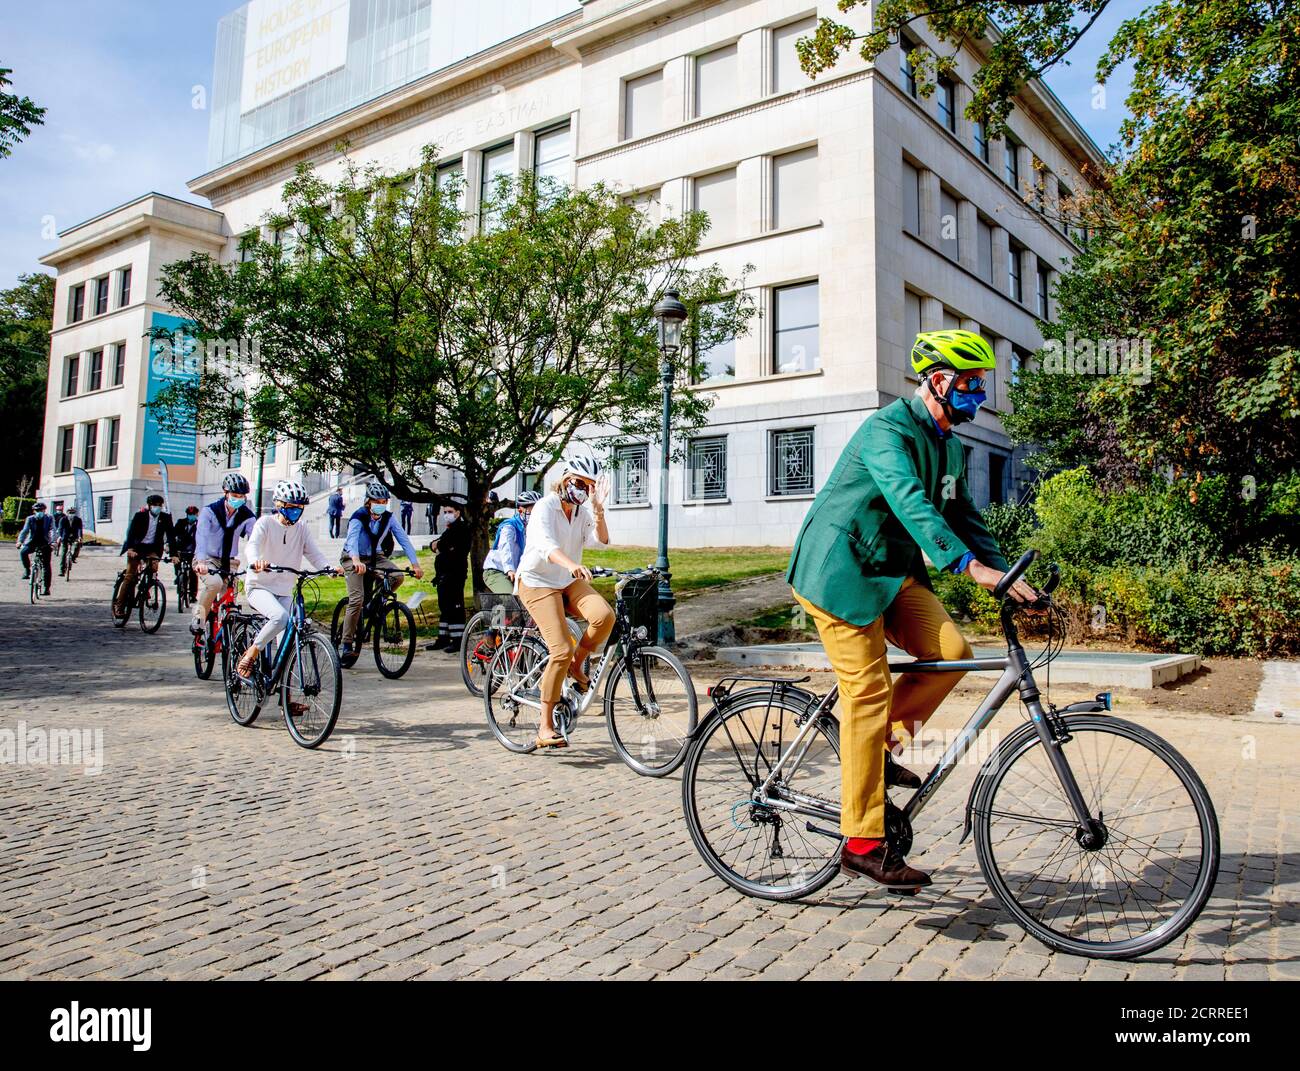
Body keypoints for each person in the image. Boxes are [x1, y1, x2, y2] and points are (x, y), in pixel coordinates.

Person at [786, 329, 1038, 890]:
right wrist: (966, 568)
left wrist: (1008, 577)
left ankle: (875, 749)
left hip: (892, 572)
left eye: (982, 384)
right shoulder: (887, 431)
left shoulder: (948, 444)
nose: (980, 395)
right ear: (940, 381)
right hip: (840, 571)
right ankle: (862, 842)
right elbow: (911, 501)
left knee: (952, 652)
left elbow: (962, 515)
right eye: (972, 384)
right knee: (867, 692)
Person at [515, 456, 615, 748]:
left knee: (603, 616)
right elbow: (545, 545)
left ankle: (578, 664)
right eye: (582, 483)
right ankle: (545, 726)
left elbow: (602, 541)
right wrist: (572, 564)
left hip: (566, 579)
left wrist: (598, 511)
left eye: (591, 487)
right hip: (537, 581)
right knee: (559, 649)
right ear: (567, 479)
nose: (586, 490)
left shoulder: (582, 512)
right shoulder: (545, 506)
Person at [236, 480, 338, 682]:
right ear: (279, 505)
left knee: (289, 643)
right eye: (291, 508)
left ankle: (287, 700)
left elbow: (315, 554)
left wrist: (328, 568)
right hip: (260, 586)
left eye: (299, 508)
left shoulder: (301, 529)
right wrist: (256, 561)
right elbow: (252, 546)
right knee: (280, 617)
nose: (296, 512)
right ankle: (251, 652)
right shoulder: (265, 523)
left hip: (285, 590)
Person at [338, 478, 424, 665]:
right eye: (377, 502)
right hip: (353, 557)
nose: (381, 505)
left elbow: (404, 540)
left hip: (376, 557)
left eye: (384, 502)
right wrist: (355, 561)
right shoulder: (358, 517)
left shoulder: (389, 518)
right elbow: (351, 541)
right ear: (368, 502)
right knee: (356, 599)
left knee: (397, 576)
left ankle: (373, 607)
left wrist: (415, 564)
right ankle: (346, 643)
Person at [190, 474, 257, 639]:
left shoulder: (247, 516)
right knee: (214, 584)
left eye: (242, 497)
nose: (239, 499)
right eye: (235, 496)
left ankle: (227, 633)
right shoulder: (209, 511)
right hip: (207, 559)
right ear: (225, 493)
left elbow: (255, 539)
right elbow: (202, 538)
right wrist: (200, 561)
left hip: (229, 561)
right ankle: (199, 618)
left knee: (230, 597)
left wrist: (259, 561)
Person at [114, 493, 175, 617]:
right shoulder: (140, 516)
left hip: (153, 548)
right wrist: (130, 548)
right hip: (137, 547)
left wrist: (174, 554)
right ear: (149, 506)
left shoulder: (166, 517)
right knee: (130, 576)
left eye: (159, 505)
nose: (157, 507)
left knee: (153, 567)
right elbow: (131, 533)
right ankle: (119, 606)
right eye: (154, 505)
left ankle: (146, 587)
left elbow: (171, 537)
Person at [429, 501, 471, 653]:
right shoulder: (450, 530)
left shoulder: (461, 529)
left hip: (455, 574)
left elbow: (449, 547)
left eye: (449, 511)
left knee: (455, 607)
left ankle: (458, 640)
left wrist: (440, 545)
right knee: (445, 607)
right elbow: (434, 545)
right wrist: (439, 545)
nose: (447, 514)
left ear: (458, 513)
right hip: (443, 575)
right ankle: (443, 638)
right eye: (445, 511)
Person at [481, 490, 540, 594]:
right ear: (520, 510)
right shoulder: (509, 527)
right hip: (497, 570)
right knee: (512, 599)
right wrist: (509, 569)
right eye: (532, 510)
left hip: (518, 572)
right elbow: (505, 547)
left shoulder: (533, 529)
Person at [17, 502, 54, 593]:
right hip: (32, 542)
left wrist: (53, 541)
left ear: (44, 510)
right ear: (34, 511)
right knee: (23, 552)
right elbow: (25, 531)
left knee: (46, 565)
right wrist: (20, 541)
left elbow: (53, 529)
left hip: (45, 543)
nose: (39, 512)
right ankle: (27, 570)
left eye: (41, 510)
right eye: (37, 510)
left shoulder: (49, 518)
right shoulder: (30, 519)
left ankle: (46, 588)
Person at [173, 504, 200, 599]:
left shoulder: (200, 524)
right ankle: (178, 577)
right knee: (177, 562)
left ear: (197, 514)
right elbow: (173, 533)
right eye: (189, 514)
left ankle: (193, 594)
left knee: (193, 572)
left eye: (193, 514)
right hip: (181, 548)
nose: (191, 515)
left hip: (193, 550)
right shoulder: (181, 522)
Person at [56, 505, 84, 577]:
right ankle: (62, 570)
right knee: (63, 553)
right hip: (65, 537)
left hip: (74, 536)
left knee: (78, 545)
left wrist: (80, 537)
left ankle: (74, 557)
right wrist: (59, 536)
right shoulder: (63, 519)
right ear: (67, 513)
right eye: (70, 512)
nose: (71, 514)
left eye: (73, 512)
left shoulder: (78, 520)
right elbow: (60, 529)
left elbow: (80, 529)